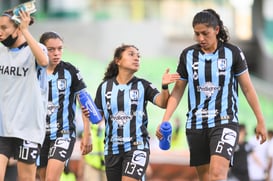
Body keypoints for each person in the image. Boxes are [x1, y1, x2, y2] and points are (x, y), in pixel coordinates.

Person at [156, 8, 267, 181]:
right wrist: (165, 120)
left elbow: (247, 88)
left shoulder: (233, 53)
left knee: (217, 175)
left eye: (205, 33)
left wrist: (260, 120)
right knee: (206, 178)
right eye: (196, 34)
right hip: (196, 125)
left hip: (224, 122)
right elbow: (178, 90)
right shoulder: (188, 55)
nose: (201, 38)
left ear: (216, 30)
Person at [93, 44, 180, 181]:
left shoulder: (142, 85)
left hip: (137, 146)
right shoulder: (104, 87)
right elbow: (96, 117)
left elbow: (162, 103)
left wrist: (164, 86)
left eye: (138, 56)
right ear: (118, 61)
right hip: (112, 149)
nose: (136, 58)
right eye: (131, 54)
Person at [0, 8, 48, 181]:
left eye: (4, 28)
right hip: (2, 128)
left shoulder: (36, 49)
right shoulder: (1, 52)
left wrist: (26, 30)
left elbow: (44, 61)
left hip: (28, 129)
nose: (0, 32)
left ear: (18, 28)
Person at [36, 31, 92, 181]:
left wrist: (87, 133)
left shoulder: (70, 71)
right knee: (42, 178)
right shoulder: (33, 71)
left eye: (60, 49)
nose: (56, 53)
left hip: (63, 133)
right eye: (51, 49)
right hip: (38, 135)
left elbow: (84, 103)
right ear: (41, 49)